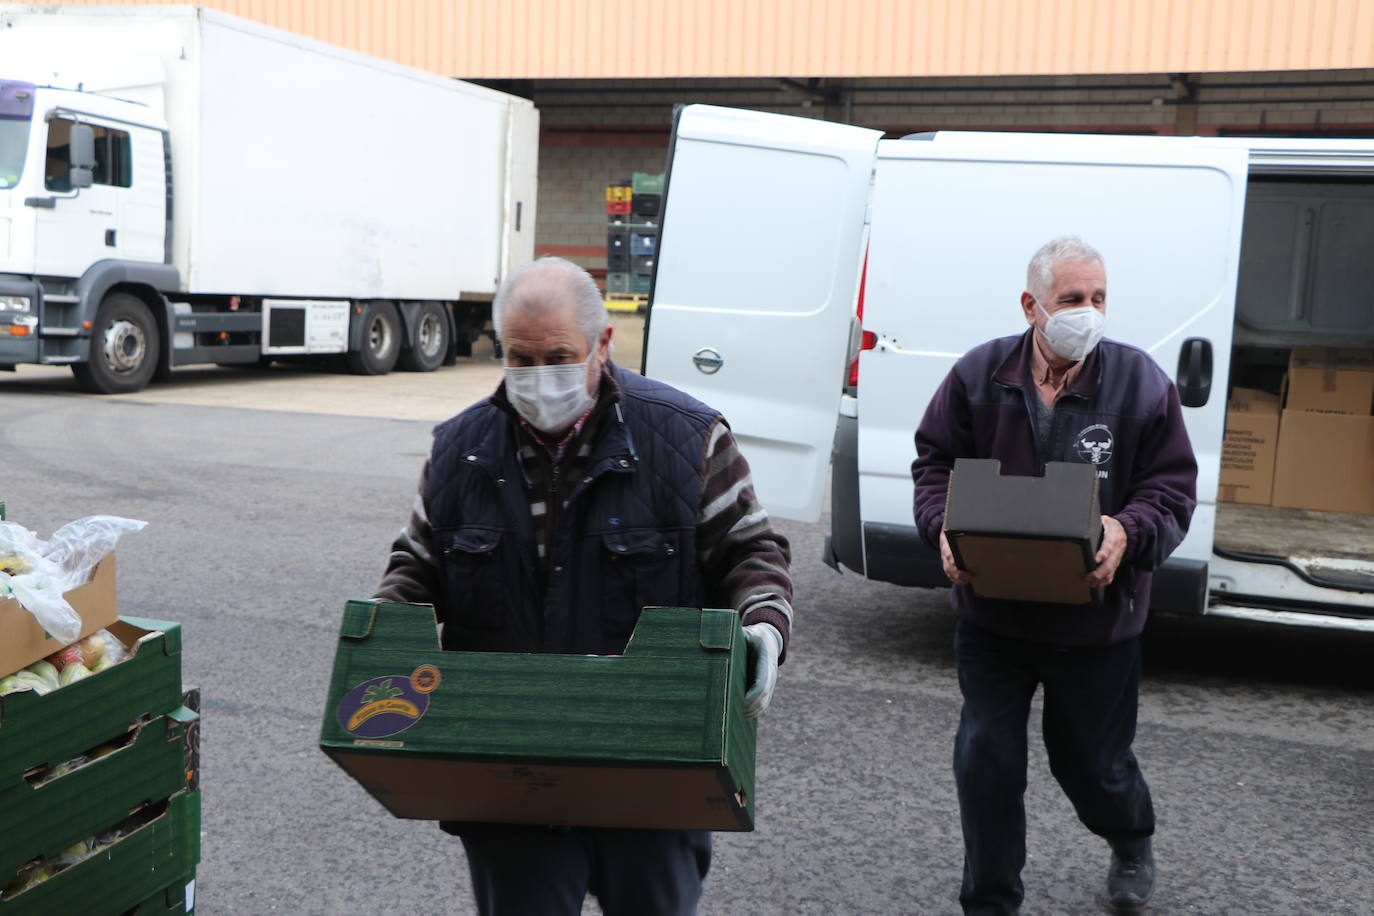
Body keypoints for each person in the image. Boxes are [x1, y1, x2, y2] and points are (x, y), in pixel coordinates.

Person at [374, 256, 794, 916]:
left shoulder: (686, 440)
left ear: (603, 343)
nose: (541, 378)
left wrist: (764, 626)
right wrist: (380, 634)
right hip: (509, 774)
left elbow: (750, 553)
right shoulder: (460, 452)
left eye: (560, 356)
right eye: (520, 358)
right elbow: (418, 568)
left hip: (653, 770)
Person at [910, 237, 1197, 915]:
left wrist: (1127, 531)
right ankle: (990, 898)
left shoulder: (1140, 383)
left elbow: (1172, 489)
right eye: (1073, 299)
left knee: (1093, 765)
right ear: (1031, 305)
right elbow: (934, 465)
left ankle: (1130, 839)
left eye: (1099, 298)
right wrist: (943, 528)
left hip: (1096, 621)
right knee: (986, 759)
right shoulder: (980, 375)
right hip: (994, 615)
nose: (1089, 312)